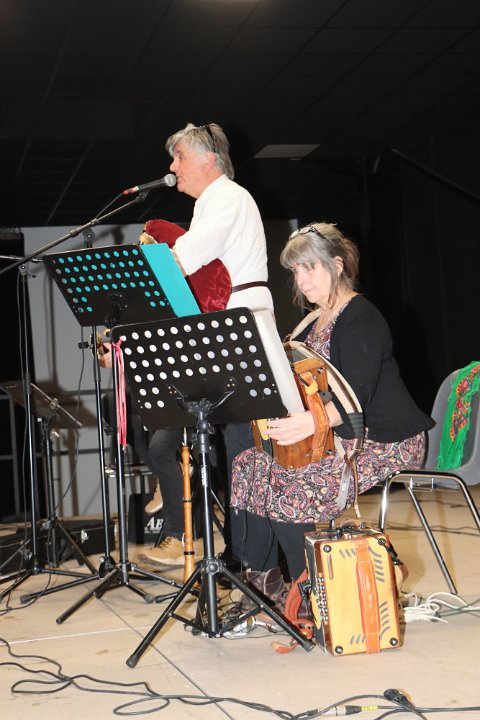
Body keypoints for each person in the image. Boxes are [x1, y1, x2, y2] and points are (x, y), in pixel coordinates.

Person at [230, 221, 434, 609]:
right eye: (296, 271)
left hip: (386, 438)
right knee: (249, 466)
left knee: (291, 479)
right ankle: (262, 587)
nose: (301, 280)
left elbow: (357, 393)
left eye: (310, 268)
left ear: (337, 265)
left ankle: (312, 595)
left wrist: (309, 423)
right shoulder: (312, 321)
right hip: (340, 432)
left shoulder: (361, 317)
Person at [137, 122, 274, 569]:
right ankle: (239, 555)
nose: (172, 166)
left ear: (208, 160)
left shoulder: (227, 197)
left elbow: (185, 259)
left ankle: (252, 562)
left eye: (179, 157)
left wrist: (144, 271)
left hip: (241, 323)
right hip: (229, 324)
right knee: (229, 444)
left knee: (242, 448)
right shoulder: (212, 203)